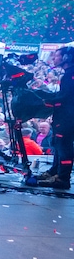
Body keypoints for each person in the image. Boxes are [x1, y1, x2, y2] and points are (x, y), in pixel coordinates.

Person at [38, 46, 74, 189]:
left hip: (68, 117)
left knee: (64, 146)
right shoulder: (68, 74)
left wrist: (44, 101)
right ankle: (55, 172)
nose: (53, 58)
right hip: (65, 116)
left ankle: (62, 178)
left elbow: (66, 97)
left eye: (57, 55)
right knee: (58, 144)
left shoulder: (70, 75)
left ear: (66, 58)